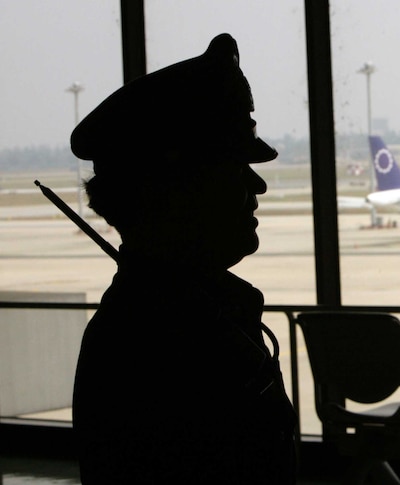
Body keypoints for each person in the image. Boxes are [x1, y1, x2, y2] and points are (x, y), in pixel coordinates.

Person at [70, 33, 296, 484]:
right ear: (177, 191)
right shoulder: (160, 344)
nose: (259, 187)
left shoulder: (194, 314)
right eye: (235, 168)